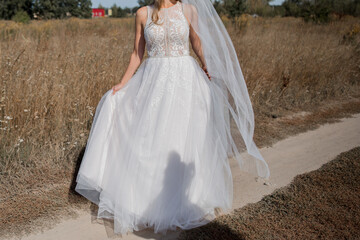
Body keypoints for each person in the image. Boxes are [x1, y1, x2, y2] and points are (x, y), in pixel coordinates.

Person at [75, 0, 270, 236]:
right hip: (153, 81)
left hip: (186, 80)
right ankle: (148, 205)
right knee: (151, 140)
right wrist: (123, 82)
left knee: (184, 140)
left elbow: (196, 41)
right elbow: (137, 53)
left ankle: (187, 201)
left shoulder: (189, 10)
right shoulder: (142, 13)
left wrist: (207, 66)